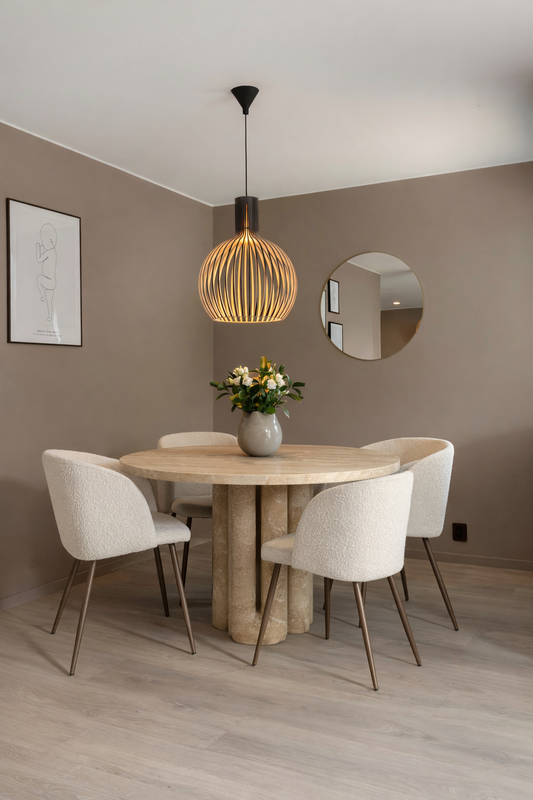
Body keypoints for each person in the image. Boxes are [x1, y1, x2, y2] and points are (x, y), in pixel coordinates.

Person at [36, 223, 57, 322]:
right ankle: (50, 316)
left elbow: (39, 259)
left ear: (51, 241)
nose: (43, 243)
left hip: (48, 280)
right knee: (50, 302)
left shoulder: (48, 252)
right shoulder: (53, 252)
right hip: (52, 282)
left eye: (43, 241)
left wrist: (38, 248)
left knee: (39, 279)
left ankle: (42, 296)